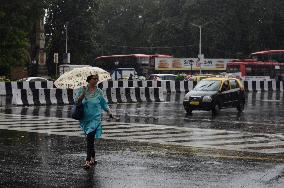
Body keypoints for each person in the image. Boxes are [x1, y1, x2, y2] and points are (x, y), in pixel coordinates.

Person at [74, 74, 113, 169]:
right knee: (90, 139)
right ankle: (93, 157)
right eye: (94, 79)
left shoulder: (99, 91)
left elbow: (104, 103)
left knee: (90, 138)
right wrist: (83, 93)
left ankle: (87, 161)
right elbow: (77, 102)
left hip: (95, 119)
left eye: (97, 79)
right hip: (85, 118)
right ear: (89, 80)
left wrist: (109, 112)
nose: (96, 81)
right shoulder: (81, 90)